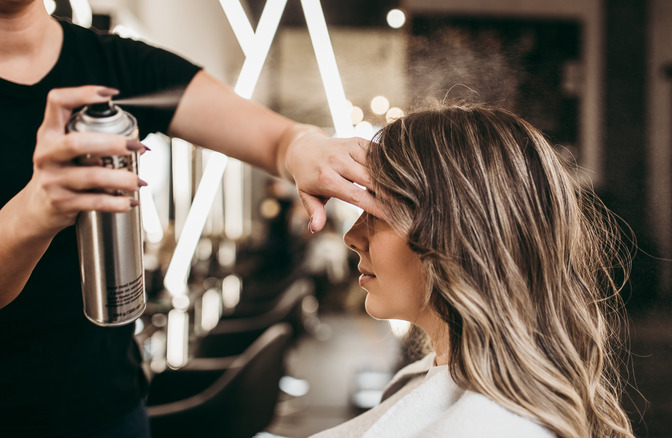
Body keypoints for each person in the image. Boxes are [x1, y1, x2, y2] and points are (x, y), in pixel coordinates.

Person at [0, 1, 378, 437]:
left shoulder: (119, 66)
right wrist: (35, 211)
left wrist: (302, 146)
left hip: (105, 408)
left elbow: (277, 140)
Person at [320, 104, 635, 437]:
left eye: (376, 209)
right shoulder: (434, 382)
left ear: (458, 233)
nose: (352, 237)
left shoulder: (491, 427)